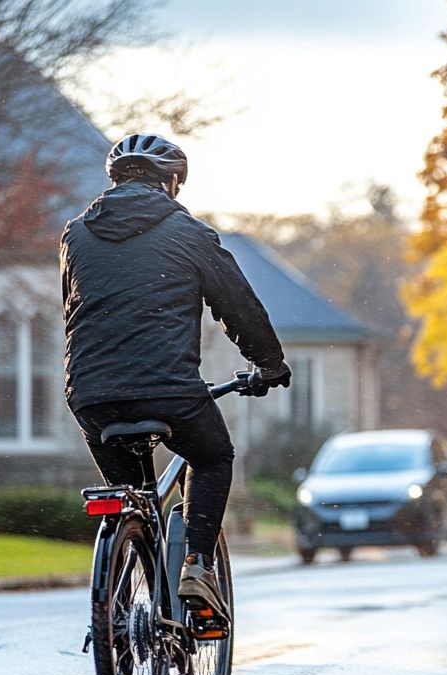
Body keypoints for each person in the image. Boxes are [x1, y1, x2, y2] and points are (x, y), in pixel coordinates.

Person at [61, 133, 291, 629]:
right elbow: (239, 308)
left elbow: (73, 310)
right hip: (169, 388)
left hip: (92, 394)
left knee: (131, 496)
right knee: (210, 456)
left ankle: (120, 605)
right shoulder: (189, 233)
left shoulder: (75, 234)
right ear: (172, 184)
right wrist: (269, 364)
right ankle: (198, 567)